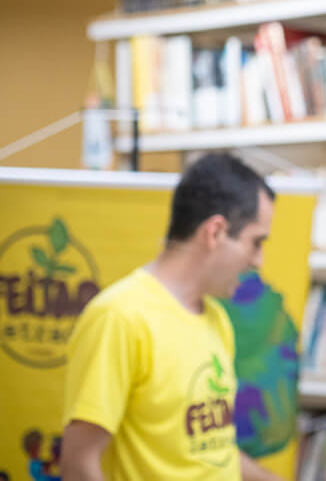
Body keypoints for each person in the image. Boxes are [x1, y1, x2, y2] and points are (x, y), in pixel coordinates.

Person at [61, 153, 283, 481]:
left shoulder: (216, 319)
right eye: (256, 242)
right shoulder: (119, 317)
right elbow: (79, 465)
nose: (259, 261)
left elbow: (210, 453)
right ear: (215, 232)